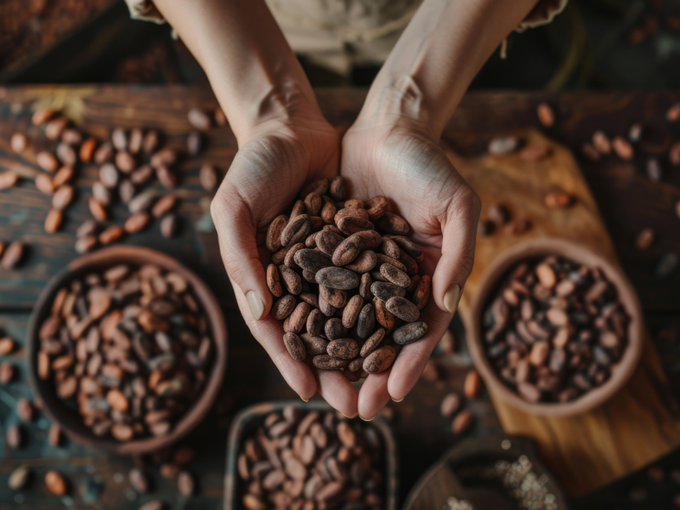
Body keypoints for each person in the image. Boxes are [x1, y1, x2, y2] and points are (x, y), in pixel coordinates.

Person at [126, 0, 567, 421]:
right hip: (255, 28)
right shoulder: (332, 260)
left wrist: (406, 107)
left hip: (470, 33)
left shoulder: (359, 252)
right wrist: (271, 114)